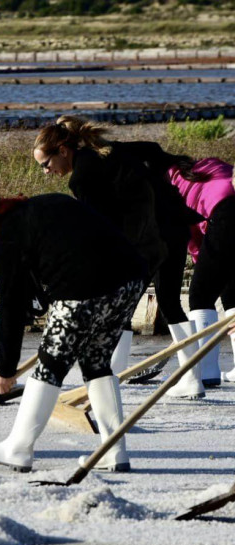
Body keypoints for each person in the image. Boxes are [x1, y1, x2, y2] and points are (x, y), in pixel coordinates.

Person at [0, 191, 147, 473]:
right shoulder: (44, 204)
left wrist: (6, 369)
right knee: (96, 363)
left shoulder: (9, 236)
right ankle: (113, 451)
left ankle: (18, 448)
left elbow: (9, 306)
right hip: (130, 281)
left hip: (83, 289)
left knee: (50, 364)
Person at [33, 117, 205, 399]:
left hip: (149, 237)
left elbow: (99, 227)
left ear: (63, 150)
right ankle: (192, 379)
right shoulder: (106, 151)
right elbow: (149, 148)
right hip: (172, 226)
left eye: (45, 164)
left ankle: (110, 376)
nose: (46, 172)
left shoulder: (83, 175)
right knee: (170, 303)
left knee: (121, 303)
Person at [166, 154, 235, 385]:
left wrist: (201, 264)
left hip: (225, 214)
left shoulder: (170, 188)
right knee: (232, 292)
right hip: (226, 211)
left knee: (200, 294)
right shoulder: (208, 163)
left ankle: (205, 373)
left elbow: (192, 236)